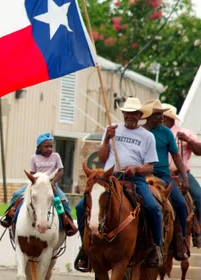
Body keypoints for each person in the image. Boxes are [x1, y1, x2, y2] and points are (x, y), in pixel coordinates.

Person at [74, 97, 162, 271]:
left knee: (153, 208)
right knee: (80, 206)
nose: (129, 116)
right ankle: (85, 249)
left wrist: (136, 169)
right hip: (109, 177)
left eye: (133, 113)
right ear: (123, 113)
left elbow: (150, 167)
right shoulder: (111, 129)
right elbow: (101, 158)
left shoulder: (148, 137)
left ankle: (155, 247)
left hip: (134, 179)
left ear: (140, 115)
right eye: (127, 113)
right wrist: (107, 139)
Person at [0, 133, 77, 236]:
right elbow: (33, 174)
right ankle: (8, 216)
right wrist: (36, 183)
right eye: (46, 146)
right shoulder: (34, 158)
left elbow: (60, 171)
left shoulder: (56, 156)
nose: (49, 149)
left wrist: (53, 182)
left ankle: (68, 222)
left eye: (51, 146)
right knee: (17, 194)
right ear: (39, 147)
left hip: (51, 185)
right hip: (37, 185)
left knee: (62, 200)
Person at [142, 99, 189, 260]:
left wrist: (184, 176)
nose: (162, 118)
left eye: (162, 115)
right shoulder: (140, 132)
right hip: (142, 175)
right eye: (158, 115)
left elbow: (176, 156)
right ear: (149, 116)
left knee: (181, 204)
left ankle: (180, 241)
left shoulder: (166, 133)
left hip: (163, 176)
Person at [163, 103, 201, 247]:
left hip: (180, 173)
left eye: (162, 116)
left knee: (198, 196)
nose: (160, 119)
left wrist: (189, 140)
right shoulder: (154, 132)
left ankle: (198, 229)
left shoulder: (184, 132)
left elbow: (199, 150)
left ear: (170, 118)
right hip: (159, 173)